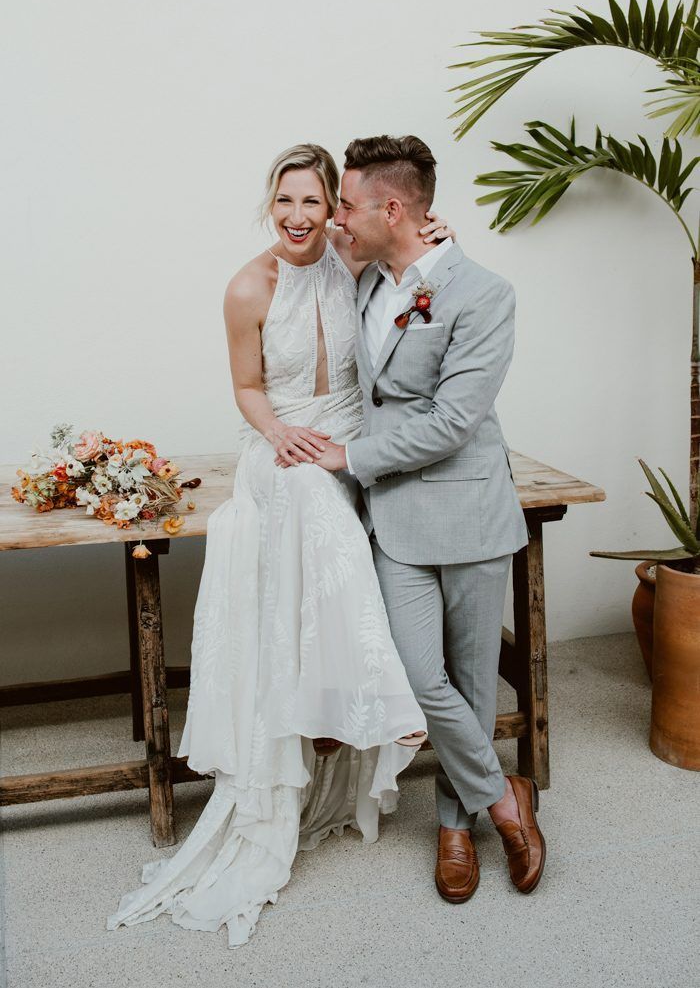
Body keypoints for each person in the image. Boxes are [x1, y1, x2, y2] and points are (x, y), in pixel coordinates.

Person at [108, 143, 454, 947]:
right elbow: (247, 386)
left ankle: (357, 701)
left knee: (334, 491)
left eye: (313, 202)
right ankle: (386, 697)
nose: (298, 218)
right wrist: (281, 435)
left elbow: (412, 256)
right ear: (271, 204)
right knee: (299, 488)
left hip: (352, 439)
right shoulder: (247, 285)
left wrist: (439, 236)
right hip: (279, 444)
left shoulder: (349, 258)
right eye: (284, 201)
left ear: (335, 206)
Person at [292, 134, 546, 902]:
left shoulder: (485, 293)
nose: (337, 214)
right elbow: (304, 237)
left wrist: (348, 457)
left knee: (469, 682)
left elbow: (451, 419)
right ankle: (507, 798)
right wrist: (331, 225)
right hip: (395, 517)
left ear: (394, 208)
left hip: (467, 511)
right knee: (415, 671)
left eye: (347, 202)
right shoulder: (365, 275)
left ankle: (454, 826)